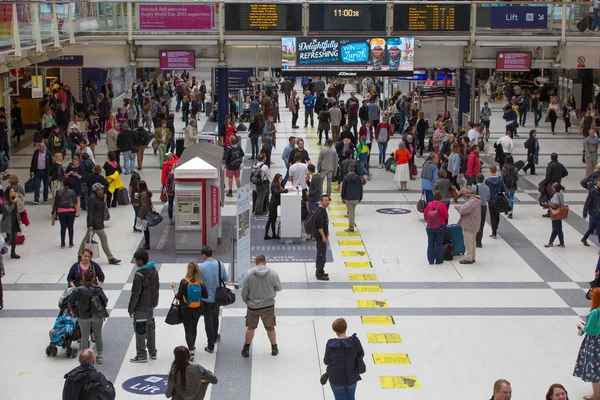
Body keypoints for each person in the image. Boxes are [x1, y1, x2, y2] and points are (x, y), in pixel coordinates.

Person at [240, 254, 282, 357]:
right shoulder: (273, 273)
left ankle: (246, 349)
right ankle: (274, 348)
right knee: (270, 327)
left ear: (256, 262)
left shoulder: (249, 274)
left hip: (252, 306)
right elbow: (279, 288)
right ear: (265, 261)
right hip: (268, 306)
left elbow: (244, 292)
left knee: (251, 328)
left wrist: (247, 301)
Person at [68, 268, 108, 364]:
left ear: (83, 277)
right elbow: (105, 301)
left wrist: (76, 312)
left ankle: (84, 357)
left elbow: (70, 302)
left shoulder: (78, 290)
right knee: (98, 336)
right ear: (94, 278)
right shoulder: (98, 289)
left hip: (83, 316)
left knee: (85, 336)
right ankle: (99, 356)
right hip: (97, 316)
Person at [171, 263, 208, 360]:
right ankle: (193, 345)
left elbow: (178, 297)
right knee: (194, 327)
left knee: (188, 330)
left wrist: (174, 288)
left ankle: (190, 350)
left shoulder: (184, 282)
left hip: (186, 310)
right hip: (197, 310)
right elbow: (206, 296)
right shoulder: (200, 282)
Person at [78, 183, 121, 265]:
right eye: (100, 189)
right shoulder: (92, 199)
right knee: (103, 238)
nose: (102, 190)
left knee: (86, 239)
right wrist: (90, 224)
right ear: (97, 190)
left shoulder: (98, 197)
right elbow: (90, 212)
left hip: (97, 221)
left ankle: (80, 255)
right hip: (95, 223)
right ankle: (110, 257)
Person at [128, 250, 159, 363]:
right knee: (150, 327)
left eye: (136, 260)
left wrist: (131, 308)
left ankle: (141, 354)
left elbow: (135, 294)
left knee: (140, 330)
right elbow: (156, 288)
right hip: (150, 305)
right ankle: (152, 351)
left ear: (140, 261)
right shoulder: (154, 271)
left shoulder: (139, 275)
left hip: (140, 307)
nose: (136, 262)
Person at [323, 318, 365, 400]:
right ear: (346, 327)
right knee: (351, 397)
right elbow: (361, 354)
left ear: (334, 330)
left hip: (336, 378)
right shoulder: (355, 341)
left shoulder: (331, 344)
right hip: (351, 376)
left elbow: (326, 361)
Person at [199, 246, 228, 353]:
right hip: (217, 297)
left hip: (206, 298)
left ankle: (210, 345)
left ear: (203, 255)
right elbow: (225, 278)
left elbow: (198, 281)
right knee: (215, 317)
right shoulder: (219, 264)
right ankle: (215, 336)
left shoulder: (201, 267)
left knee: (208, 321)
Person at [574, 287, 600, 399]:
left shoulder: (595, 312)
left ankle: (596, 394)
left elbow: (588, 329)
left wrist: (581, 326)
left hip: (594, 342)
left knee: (593, 367)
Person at [455, 185, 482, 264]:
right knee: (472, 241)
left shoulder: (472, 202)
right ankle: (472, 256)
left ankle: (468, 258)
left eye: (465, 193)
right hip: (474, 223)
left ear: (469, 193)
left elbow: (463, 210)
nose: (464, 194)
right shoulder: (476, 200)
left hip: (469, 224)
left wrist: (458, 207)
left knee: (468, 242)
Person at [423, 190, 449, 264]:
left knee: (431, 244)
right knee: (439, 244)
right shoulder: (443, 205)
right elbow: (446, 216)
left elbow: (425, 215)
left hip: (430, 226)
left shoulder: (429, 204)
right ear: (441, 197)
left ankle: (431, 260)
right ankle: (439, 260)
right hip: (440, 226)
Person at [53, 176, 78, 249]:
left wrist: (54, 212)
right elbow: (75, 201)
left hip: (61, 210)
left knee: (63, 227)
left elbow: (56, 203)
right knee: (71, 227)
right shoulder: (72, 192)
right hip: (71, 210)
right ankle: (71, 242)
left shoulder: (59, 192)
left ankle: (62, 243)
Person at [542, 153, 569, 218]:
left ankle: (551, 211)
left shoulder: (550, 166)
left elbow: (548, 176)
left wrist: (545, 183)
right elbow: (566, 173)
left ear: (551, 157)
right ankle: (555, 210)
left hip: (551, 183)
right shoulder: (560, 165)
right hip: (558, 183)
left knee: (551, 198)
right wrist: (560, 176)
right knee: (556, 197)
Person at [341, 163, 363, 234]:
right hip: (356, 198)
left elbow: (343, 188)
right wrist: (360, 197)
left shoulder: (346, 178)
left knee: (351, 213)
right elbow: (360, 188)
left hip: (348, 197)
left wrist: (342, 197)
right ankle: (352, 224)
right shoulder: (358, 178)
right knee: (352, 212)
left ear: (348, 169)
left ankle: (351, 227)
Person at [484, 166, 505, 240]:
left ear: (490, 170)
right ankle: (495, 228)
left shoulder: (487, 181)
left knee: (492, 216)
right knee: (497, 215)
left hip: (491, 200)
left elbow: (486, 190)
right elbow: (503, 189)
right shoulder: (500, 180)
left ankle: (494, 231)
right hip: (498, 200)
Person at [265, 174, 287, 240]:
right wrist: (284, 191)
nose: (281, 180)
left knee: (273, 220)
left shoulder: (278, 185)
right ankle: (267, 235)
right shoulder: (275, 185)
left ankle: (273, 234)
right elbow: (276, 192)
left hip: (273, 205)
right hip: (272, 205)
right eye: (280, 179)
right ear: (277, 179)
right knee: (270, 220)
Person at [544, 183, 566, 248]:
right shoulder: (560, 194)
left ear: (555, 188)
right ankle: (551, 242)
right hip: (559, 213)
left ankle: (561, 243)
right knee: (556, 229)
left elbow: (555, 205)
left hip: (556, 214)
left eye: (553, 187)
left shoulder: (556, 195)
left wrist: (549, 204)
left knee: (557, 229)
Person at [314, 195, 330, 281]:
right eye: (325, 200)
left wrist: (327, 232)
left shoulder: (323, 211)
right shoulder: (320, 212)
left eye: (327, 200)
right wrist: (323, 236)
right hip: (320, 237)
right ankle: (319, 273)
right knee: (321, 254)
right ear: (321, 201)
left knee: (322, 253)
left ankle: (321, 270)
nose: (327, 202)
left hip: (322, 236)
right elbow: (319, 226)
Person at [1, 187, 21, 259]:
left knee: (14, 238)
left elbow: (17, 210)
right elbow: (9, 209)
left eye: (13, 192)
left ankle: (13, 253)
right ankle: (1, 245)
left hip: (14, 220)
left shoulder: (14, 200)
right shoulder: (5, 201)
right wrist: (13, 202)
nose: (13, 193)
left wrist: (19, 219)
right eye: (11, 192)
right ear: (8, 193)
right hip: (8, 222)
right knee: (9, 237)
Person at [136, 180, 153, 250]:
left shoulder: (143, 194)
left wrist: (141, 216)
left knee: (145, 229)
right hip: (148, 212)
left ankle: (147, 244)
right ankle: (147, 243)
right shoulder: (146, 193)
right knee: (146, 229)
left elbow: (143, 205)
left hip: (144, 214)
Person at [474, 174, 490, 248]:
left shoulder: (474, 187)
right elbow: (488, 198)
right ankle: (479, 241)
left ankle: (474, 239)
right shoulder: (487, 188)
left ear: (477, 179)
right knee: (481, 224)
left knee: (475, 223)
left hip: (476, 207)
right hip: (483, 207)